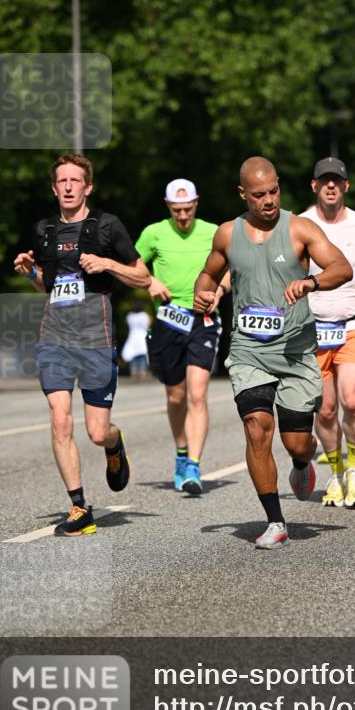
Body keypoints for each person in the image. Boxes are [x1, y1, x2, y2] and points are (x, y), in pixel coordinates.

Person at [193, 156, 352, 549]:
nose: (268, 201)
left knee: (295, 441)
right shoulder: (228, 234)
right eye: (259, 195)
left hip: (295, 350)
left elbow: (342, 268)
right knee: (256, 427)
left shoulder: (300, 228)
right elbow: (209, 273)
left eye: (274, 191)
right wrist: (203, 292)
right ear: (242, 194)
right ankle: (275, 520)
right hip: (248, 349)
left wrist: (312, 283)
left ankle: (302, 462)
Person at [13, 154, 151, 536]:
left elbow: (142, 276)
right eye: (62, 181)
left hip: (95, 339)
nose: (69, 187)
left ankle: (114, 444)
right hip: (55, 336)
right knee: (59, 420)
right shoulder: (44, 230)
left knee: (95, 431)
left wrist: (108, 265)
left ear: (88, 187)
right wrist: (31, 273)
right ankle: (79, 508)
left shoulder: (108, 226)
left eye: (76, 180)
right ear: (54, 188)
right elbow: (50, 287)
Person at [302, 158, 355, 509]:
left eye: (337, 180)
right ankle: (335, 474)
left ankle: (354, 468)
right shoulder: (300, 224)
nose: (331, 186)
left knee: (351, 401)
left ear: (347, 186)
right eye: (325, 181)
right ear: (314, 186)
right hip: (312, 329)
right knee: (324, 411)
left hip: (354, 323)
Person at [135, 179, 229, 494]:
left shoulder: (213, 232)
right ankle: (180, 451)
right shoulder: (154, 233)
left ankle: (193, 465)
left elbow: (232, 266)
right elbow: (131, 266)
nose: (183, 216)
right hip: (168, 321)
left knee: (198, 394)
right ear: (167, 206)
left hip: (203, 319)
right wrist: (148, 281)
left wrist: (220, 289)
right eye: (177, 210)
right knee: (176, 396)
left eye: (188, 209)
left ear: (197, 203)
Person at [121, 301, 151, 378]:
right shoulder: (144, 315)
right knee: (142, 355)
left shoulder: (130, 316)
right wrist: (150, 336)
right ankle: (142, 370)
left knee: (133, 355)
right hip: (142, 337)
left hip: (132, 337)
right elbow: (148, 327)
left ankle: (133, 371)